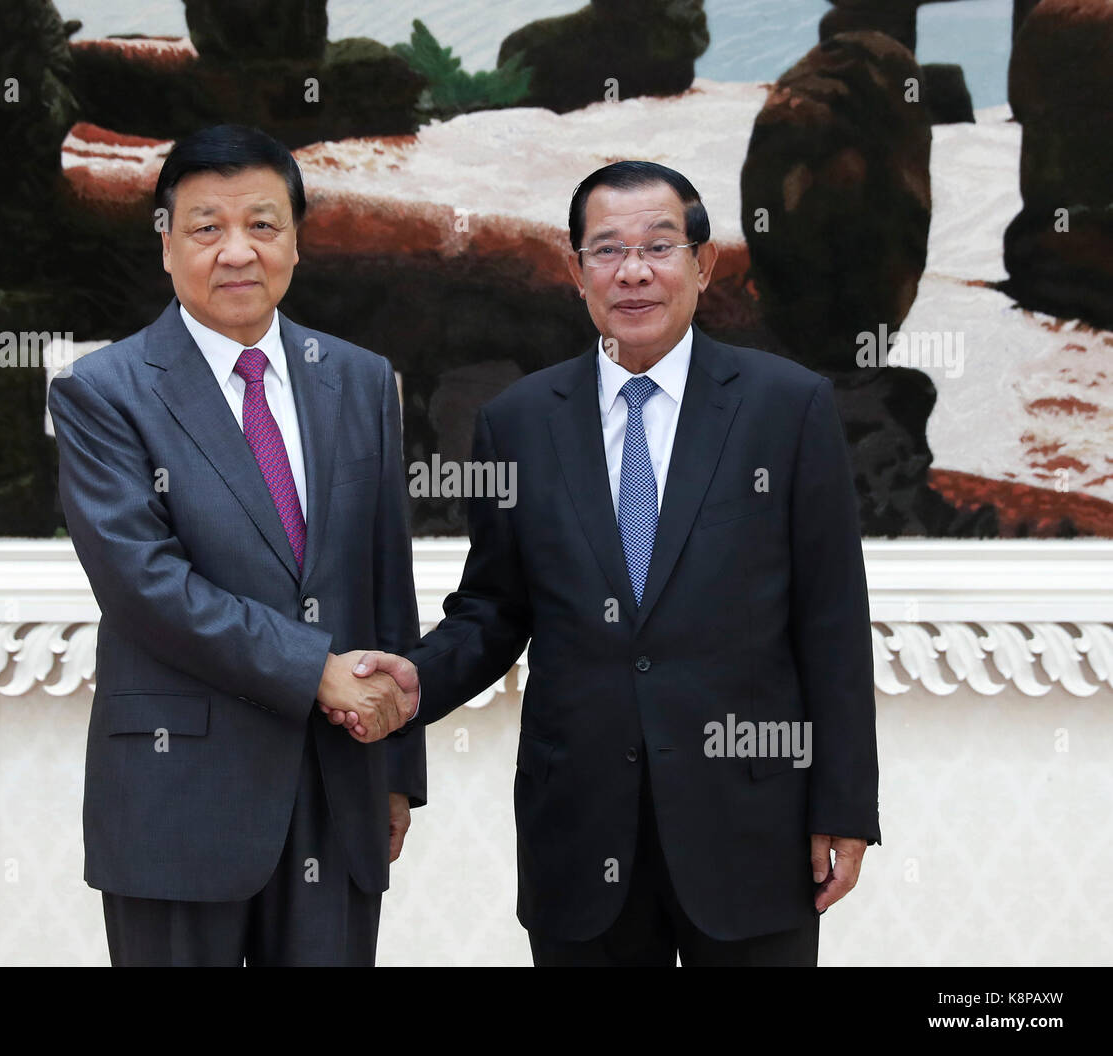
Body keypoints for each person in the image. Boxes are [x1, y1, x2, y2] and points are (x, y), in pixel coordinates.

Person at [335, 160, 880, 966]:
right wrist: (421, 680)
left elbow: (831, 617)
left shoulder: (785, 407)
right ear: (574, 270)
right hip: (581, 826)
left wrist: (843, 802)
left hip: (750, 825)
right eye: (607, 250)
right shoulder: (518, 423)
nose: (633, 271)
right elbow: (495, 609)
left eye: (660, 247)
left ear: (704, 263)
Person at [48, 124, 422, 967]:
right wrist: (314, 669)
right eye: (206, 227)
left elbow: (383, 574)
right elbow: (145, 584)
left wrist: (398, 766)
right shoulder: (103, 391)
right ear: (167, 246)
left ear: (295, 239)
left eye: (262, 223)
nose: (237, 251)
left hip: (340, 784)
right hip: (179, 793)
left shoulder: (359, 377)